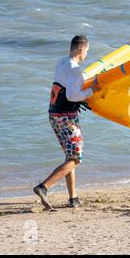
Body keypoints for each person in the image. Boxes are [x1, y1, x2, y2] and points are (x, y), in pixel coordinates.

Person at [34, 35, 100, 209]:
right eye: (87, 50)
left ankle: (73, 198)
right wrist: (91, 91)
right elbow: (72, 95)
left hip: (54, 115)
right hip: (66, 118)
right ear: (80, 49)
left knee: (69, 156)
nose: (87, 54)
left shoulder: (62, 63)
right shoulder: (75, 69)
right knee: (76, 158)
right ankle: (44, 187)